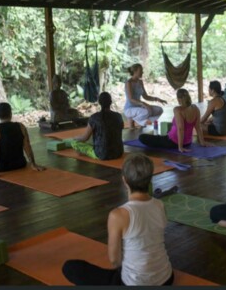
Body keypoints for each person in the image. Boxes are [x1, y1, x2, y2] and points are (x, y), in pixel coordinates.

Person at [62, 153, 173, 286]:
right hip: (166, 279)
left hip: (133, 283)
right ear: (150, 180)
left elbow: (115, 261)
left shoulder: (118, 215)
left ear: (124, 180)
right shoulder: (160, 205)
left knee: (70, 267)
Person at [139, 89, 208, 152]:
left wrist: (180, 147)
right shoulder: (195, 108)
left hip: (173, 142)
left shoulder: (178, 110)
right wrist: (202, 142)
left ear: (178, 99)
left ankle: (173, 142)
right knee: (163, 135)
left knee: (142, 137)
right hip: (188, 142)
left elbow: (181, 129)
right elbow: (198, 127)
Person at [71, 92, 124, 160]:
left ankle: (80, 152)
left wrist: (75, 138)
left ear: (99, 102)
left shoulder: (94, 117)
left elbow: (85, 138)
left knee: (74, 142)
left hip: (101, 154)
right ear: (110, 102)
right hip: (118, 153)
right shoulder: (118, 116)